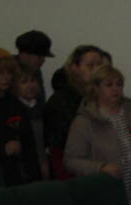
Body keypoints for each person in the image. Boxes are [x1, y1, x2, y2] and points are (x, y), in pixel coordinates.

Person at [64, 65, 131, 205]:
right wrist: (101, 168)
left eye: (119, 84)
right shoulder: (84, 121)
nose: (115, 89)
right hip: (105, 196)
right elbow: (71, 161)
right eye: (109, 85)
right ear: (96, 88)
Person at [43, 44, 104, 179]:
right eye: (90, 65)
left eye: (99, 65)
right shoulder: (61, 99)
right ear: (75, 68)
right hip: (70, 167)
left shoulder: (102, 96)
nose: (96, 70)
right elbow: (63, 142)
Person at [0, 56, 40, 185]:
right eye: (0, 73)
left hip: (20, 174)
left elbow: (29, 142)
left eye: (9, 73)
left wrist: (35, 176)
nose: (6, 78)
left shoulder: (15, 104)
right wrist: (2, 150)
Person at [12, 67, 46, 179]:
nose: (30, 85)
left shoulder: (43, 109)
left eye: (33, 80)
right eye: (24, 82)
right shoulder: (14, 111)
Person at [14, 30, 53, 104]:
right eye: (39, 56)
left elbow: (40, 102)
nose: (43, 60)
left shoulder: (35, 71)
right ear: (25, 54)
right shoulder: (7, 71)